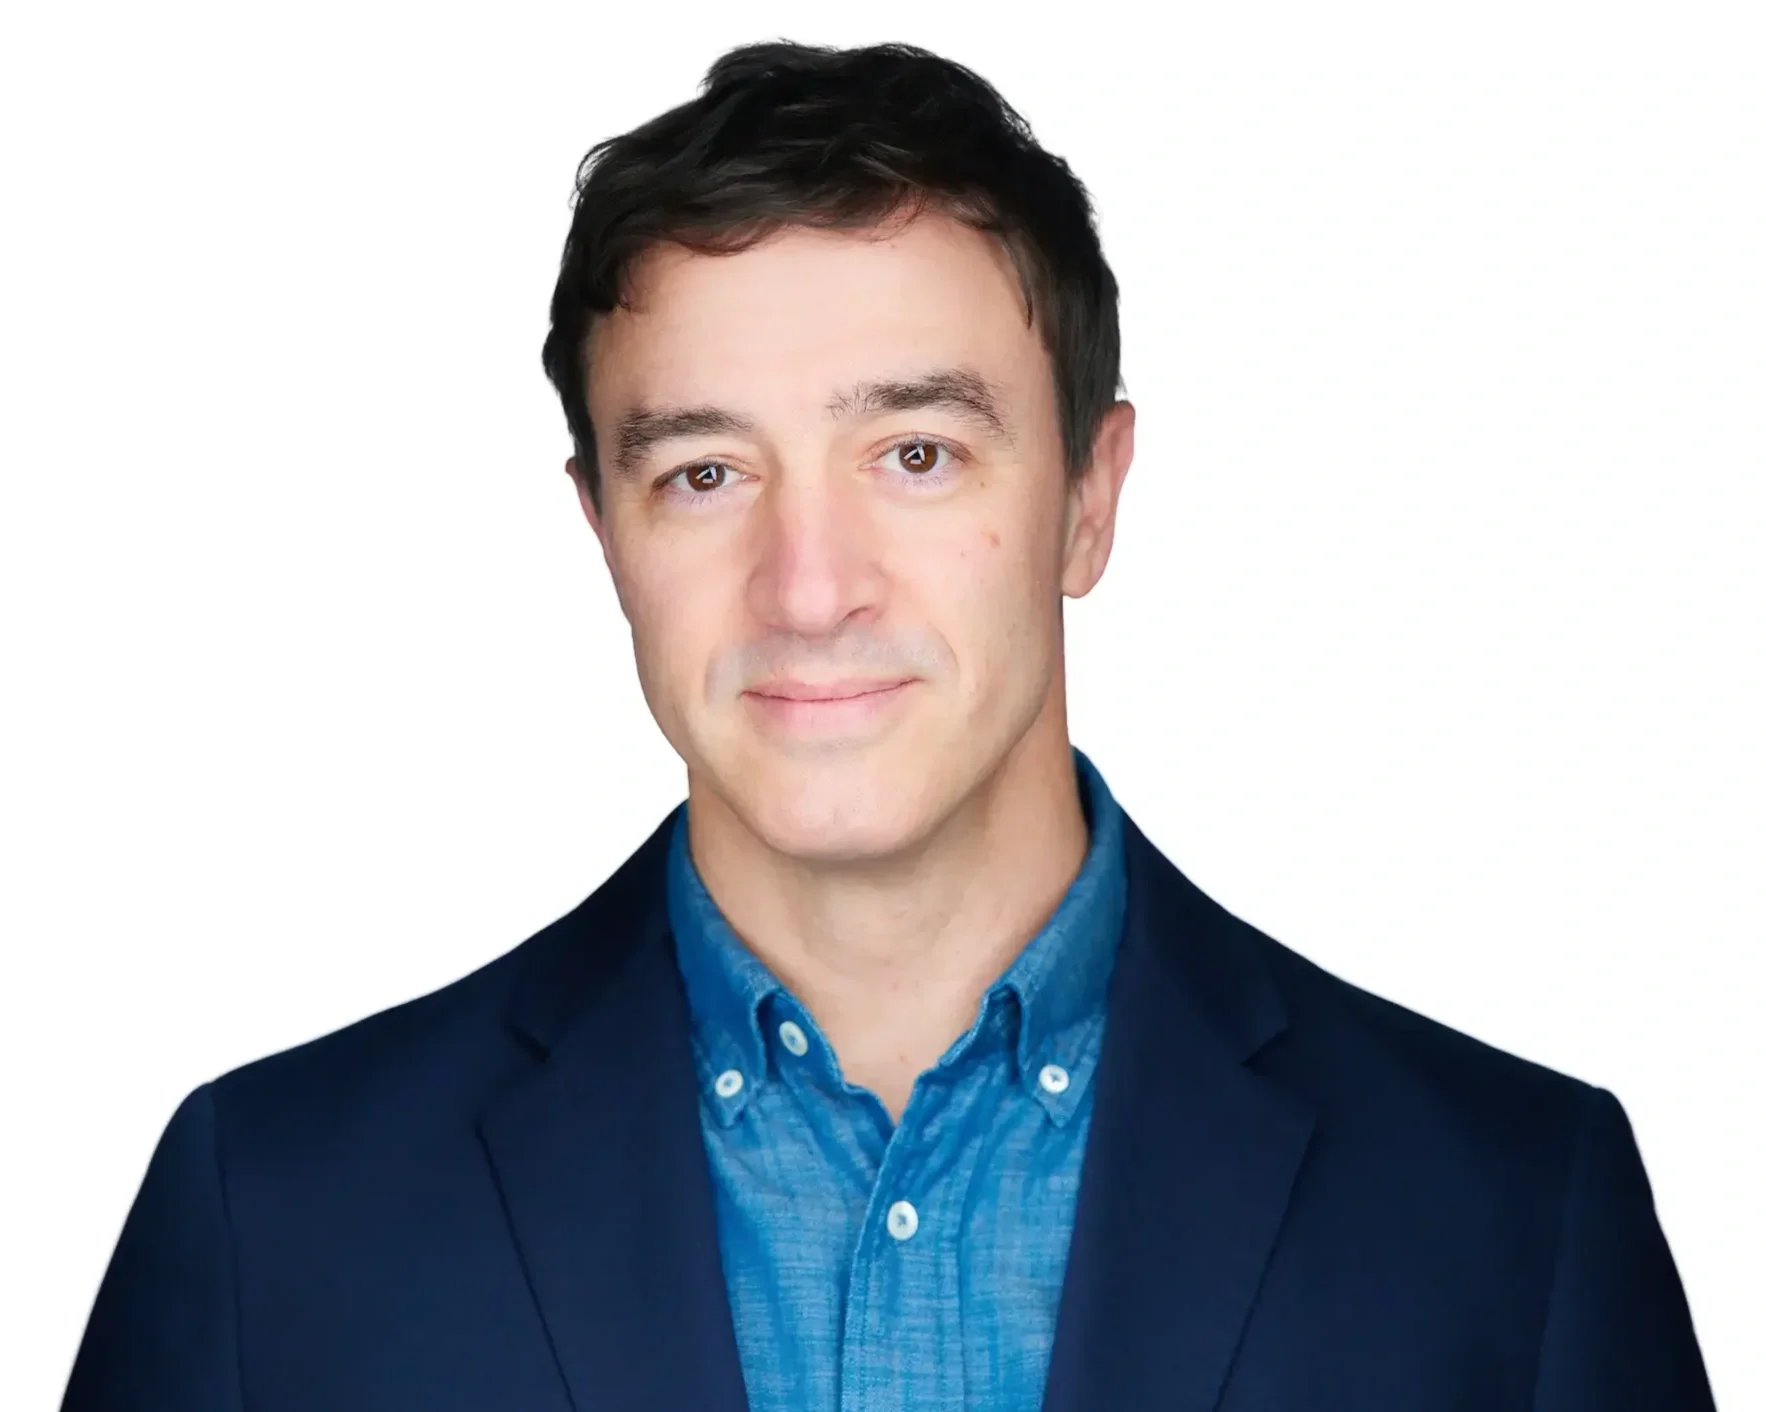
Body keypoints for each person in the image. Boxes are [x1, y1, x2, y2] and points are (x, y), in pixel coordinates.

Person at [61, 39, 1715, 1412]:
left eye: (915, 454)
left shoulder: (1513, 1219)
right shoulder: (274, 1219)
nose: (808, 585)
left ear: (1087, 499)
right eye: (703, 472)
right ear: (603, 533)